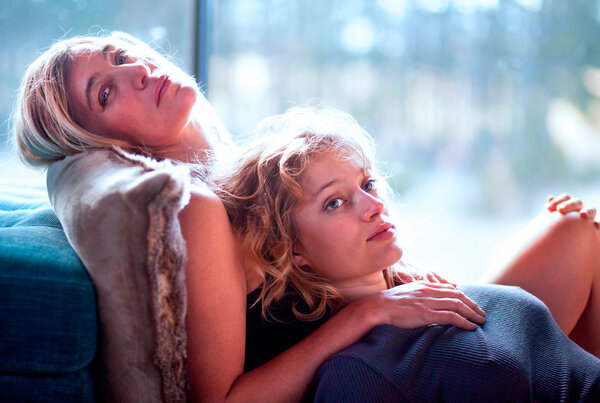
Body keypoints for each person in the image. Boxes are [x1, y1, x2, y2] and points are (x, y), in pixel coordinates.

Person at [11, 31, 599, 401]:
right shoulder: (197, 209)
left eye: (120, 56)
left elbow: (334, 267)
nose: (136, 71)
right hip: (382, 369)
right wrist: (366, 315)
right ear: (107, 143)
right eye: (106, 93)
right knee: (575, 254)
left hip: (404, 345)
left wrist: (402, 279)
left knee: (576, 232)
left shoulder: (228, 165)